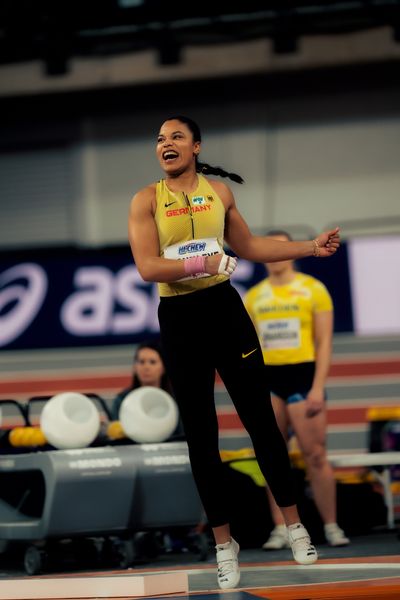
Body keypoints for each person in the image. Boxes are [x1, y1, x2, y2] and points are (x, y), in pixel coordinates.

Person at [127, 115, 340, 589]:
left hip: (225, 311)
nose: (166, 143)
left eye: (176, 136)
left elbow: (247, 245)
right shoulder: (146, 200)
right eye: (160, 139)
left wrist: (310, 247)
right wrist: (202, 260)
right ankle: (225, 546)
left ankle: (295, 525)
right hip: (181, 319)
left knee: (261, 422)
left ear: (196, 146)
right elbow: (147, 266)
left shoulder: (219, 193)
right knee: (202, 437)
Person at [244, 230, 350, 551]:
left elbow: (325, 341)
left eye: (281, 247)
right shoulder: (254, 297)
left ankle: (331, 525)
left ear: (291, 252)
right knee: (272, 455)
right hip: (269, 379)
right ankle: (281, 528)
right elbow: (248, 348)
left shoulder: (313, 290)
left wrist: (318, 387)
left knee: (315, 454)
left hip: (304, 377)